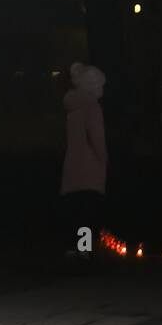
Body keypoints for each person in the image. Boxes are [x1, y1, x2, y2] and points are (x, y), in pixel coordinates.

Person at [60, 62, 108, 258]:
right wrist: (104, 160)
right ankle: (84, 248)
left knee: (75, 209)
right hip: (90, 167)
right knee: (87, 211)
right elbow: (97, 138)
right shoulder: (92, 107)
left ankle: (75, 246)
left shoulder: (72, 108)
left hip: (72, 165)